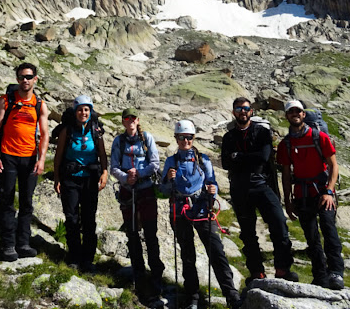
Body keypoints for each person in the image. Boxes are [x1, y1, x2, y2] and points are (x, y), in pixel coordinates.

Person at [161, 120, 241, 309]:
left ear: (193, 138)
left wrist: (214, 189)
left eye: (188, 137)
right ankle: (192, 297)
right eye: (181, 137)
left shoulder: (203, 160)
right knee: (188, 255)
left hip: (203, 210)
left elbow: (213, 183)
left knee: (216, 252)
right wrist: (167, 179)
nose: (185, 141)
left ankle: (231, 295)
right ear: (176, 138)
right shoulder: (171, 162)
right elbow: (163, 190)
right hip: (181, 212)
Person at [221, 97, 298, 283]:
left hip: (262, 184)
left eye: (246, 108)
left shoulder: (262, 132)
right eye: (238, 109)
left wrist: (238, 156)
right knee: (247, 233)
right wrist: (247, 158)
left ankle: (282, 269)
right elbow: (225, 163)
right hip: (240, 188)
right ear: (233, 113)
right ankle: (256, 272)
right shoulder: (229, 136)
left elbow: (264, 157)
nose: (243, 112)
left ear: (251, 111)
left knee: (279, 223)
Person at [277, 100, 344, 290]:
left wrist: (330, 191)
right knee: (312, 237)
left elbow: (333, 165)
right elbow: (286, 174)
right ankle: (320, 277)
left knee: (329, 230)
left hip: (323, 191)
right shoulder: (286, 144)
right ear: (286, 116)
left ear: (303, 114)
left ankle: (336, 273)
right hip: (302, 194)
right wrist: (288, 202)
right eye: (291, 112)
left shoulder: (319, 137)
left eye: (298, 111)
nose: (295, 114)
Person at [0, 62, 49, 262]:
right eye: (22, 77)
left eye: (29, 76)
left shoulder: (39, 104)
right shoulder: (6, 100)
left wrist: (41, 160)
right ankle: (7, 245)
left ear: (35, 79)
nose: (25, 80)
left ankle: (23, 244)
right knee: (7, 200)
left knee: (26, 202)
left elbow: (45, 134)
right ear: (17, 79)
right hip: (8, 156)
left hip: (30, 158)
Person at [110, 108, 165, 307]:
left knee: (151, 233)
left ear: (137, 120)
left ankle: (156, 273)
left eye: (133, 118)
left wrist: (138, 174)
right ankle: (138, 273)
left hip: (146, 190)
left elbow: (155, 163)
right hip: (127, 192)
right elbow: (114, 167)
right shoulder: (119, 141)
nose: (130, 121)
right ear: (124, 122)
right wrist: (126, 178)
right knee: (132, 234)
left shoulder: (146, 138)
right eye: (127, 118)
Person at [53, 95, 108, 272]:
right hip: (70, 179)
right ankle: (74, 256)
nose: (83, 113)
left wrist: (105, 172)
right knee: (72, 218)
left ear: (90, 112)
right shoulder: (67, 130)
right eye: (80, 109)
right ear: (75, 111)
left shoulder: (96, 131)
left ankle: (88, 259)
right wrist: (57, 178)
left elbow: (102, 154)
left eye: (86, 110)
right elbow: (59, 155)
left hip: (90, 179)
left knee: (89, 219)